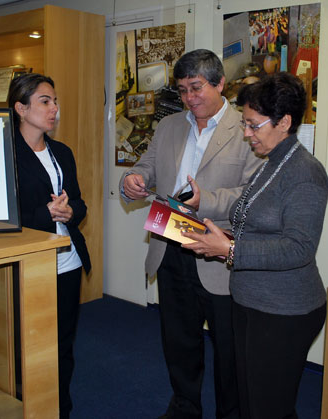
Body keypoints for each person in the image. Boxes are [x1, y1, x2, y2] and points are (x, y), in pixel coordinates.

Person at [120, 49, 263, 419]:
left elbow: (253, 193)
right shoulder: (169, 126)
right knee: (178, 340)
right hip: (170, 248)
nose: (189, 98)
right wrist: (132, 180)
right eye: (183, 90)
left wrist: (206, 201)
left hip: (218, 255)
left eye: (197, 88)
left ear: (220, 84)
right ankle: (184, 405)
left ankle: (230, 412)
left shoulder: (245, 129)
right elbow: (145, 167)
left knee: (229, 348)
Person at [181, 72, 328, 419]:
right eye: (245, 124)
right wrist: (203, 207)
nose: (246, 134)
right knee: (252, 401)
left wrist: (230, 250)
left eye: (253, 125)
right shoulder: (272, 164)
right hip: (252, 302)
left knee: (268, 407)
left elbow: (298, 248)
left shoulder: (305, 172)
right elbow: (245, 210)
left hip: (284, 310)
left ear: (285, 122)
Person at [8, 73, 91, 419]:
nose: (54, 108)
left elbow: (80, 204)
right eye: (45, 101)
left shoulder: (62, 152)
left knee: (62, 345)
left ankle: (61, 408)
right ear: (20, 108)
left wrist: (71, 211)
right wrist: (44, 214)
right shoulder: (4, 153)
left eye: (55, 101)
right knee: (26, 346)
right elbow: (4, 217)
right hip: (28, 264)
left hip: (67, 262)